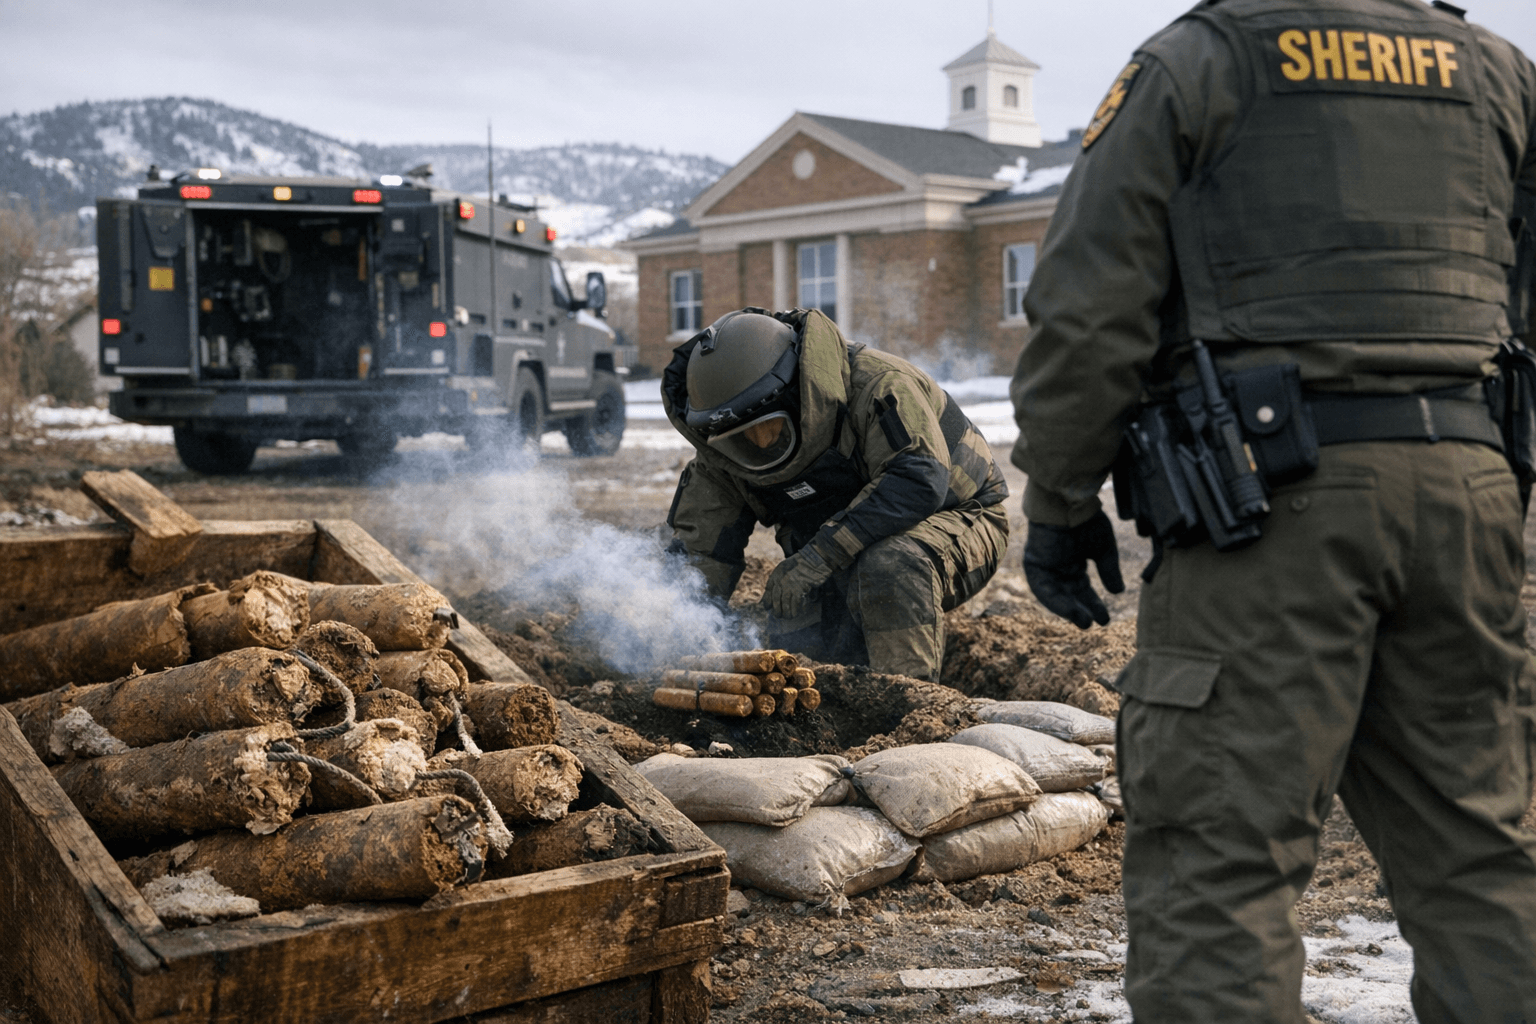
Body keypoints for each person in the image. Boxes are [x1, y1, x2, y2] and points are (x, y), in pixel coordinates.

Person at [1009, 0, 1536, 1020]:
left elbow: (1086, 304)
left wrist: (1060, 497)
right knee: (1478, 850)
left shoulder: (1198, 63)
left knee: (1222, 860)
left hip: (1267, 502)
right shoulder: (1498, 71)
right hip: (1469, 489)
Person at [661, 306, 1010, 680]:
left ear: (794, 391)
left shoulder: (879, 384)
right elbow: (700, 555)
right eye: (741, 440)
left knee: (887, 568)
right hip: (845, 540)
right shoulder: (719, 452)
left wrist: (816, 559)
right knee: (793, 622)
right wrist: (670, 629)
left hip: (961, 515)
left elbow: (918, 480)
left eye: (770, 427)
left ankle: (910, 704)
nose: (760, 443)